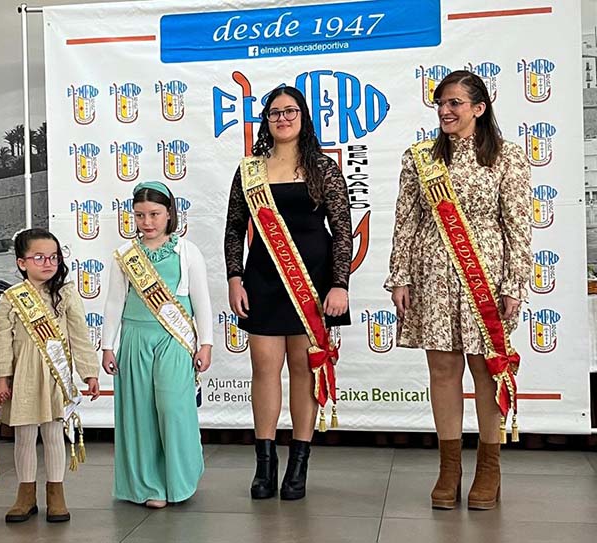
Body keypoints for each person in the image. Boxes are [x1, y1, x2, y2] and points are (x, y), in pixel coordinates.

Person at [385, 70, 532, 510]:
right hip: (433, 276)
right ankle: (449, 468)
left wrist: (514, 284)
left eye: (455, 103)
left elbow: (518, 226)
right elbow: (406, 221)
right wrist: (401, 275)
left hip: (487, 277)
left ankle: (489, 467)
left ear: (479, 108)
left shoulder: (507, 156)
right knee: (443, 371)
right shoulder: (420, 159)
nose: (445, 111)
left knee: (487, 371)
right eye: (441, 104)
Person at [223, 86, 353, 501]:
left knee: (303, 369)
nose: (282, 118)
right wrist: (234, 277)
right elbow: (234, 228)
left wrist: (340, 284)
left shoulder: (323, 168)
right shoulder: (250, 170)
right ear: (266, 120)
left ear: (303, 116)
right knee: (264, 368)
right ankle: (264, 465)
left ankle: (298, 465)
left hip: (312, 283)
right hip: (263, 280)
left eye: (290, 111)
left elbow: (342, 231)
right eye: (274, 112)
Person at [102, 181, 213, 508]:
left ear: (169, 214)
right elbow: (114, 302)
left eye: (154, 214)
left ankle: (180, 479)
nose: (147, 222)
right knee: (139, 413)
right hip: (135, 338)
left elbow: (201, 301)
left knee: (173, 407)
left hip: (174, 339)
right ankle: (149, 485)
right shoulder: (125, 255)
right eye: (140, 215)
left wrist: (206, 343)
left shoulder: (187, 251)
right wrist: (107, 345)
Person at [0, 228, 100, 523]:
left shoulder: (66, 294)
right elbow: (1, 340)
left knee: (53, 435)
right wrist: (1, 377)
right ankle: (25, 495)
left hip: (55, 376)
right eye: (38, 257)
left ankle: (56, 494)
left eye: (53, 257)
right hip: (23, 375)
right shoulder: (12, 298)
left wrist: (89, 372)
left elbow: (79, 335)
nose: (47, 263)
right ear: (21, 262)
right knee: (25, 436)